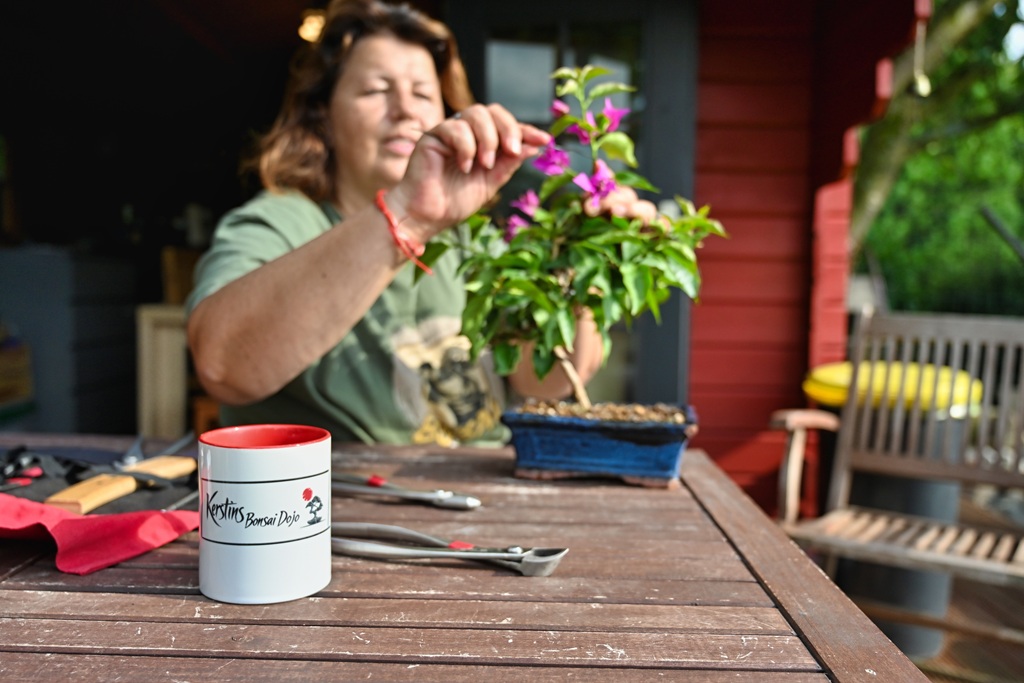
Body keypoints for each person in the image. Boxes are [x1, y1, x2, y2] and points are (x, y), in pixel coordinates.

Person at [186, 0, 652, 446]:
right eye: (376, 91)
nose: (406, 110)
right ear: (322, 115)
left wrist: (588, 261)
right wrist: (408, 216)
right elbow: (223, 366)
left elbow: (542, 380)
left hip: (479, 488)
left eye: (424, 94)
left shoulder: (470, 240)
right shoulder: (282, 222)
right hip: (351, 495)